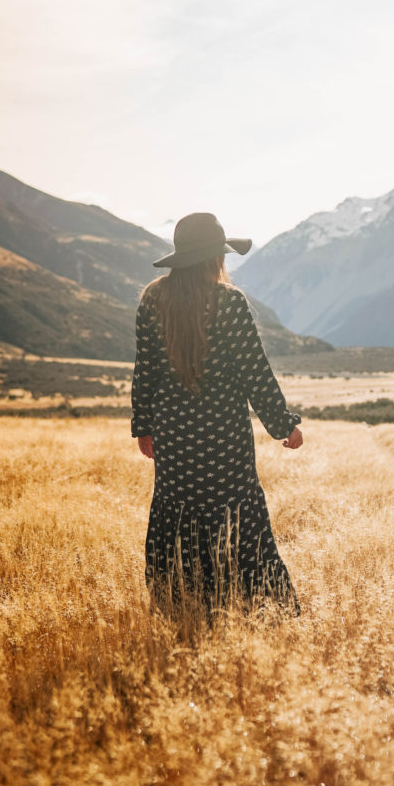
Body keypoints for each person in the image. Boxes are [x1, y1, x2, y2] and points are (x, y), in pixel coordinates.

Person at [131, 211, 303, 617]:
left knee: (177, 514)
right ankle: (258, 605)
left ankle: (181, 603)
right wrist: (284, 424)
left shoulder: (153, 299)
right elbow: (254, 372)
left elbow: (146, 369)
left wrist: (144, 426)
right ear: (213, 258)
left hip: (173, 434)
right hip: (225, 436)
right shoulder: (229, 302)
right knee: (239, 516)